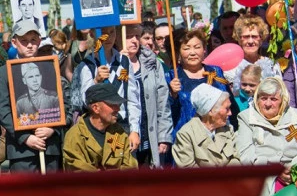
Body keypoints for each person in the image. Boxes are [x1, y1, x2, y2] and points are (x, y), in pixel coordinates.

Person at [173, 84, 245, 196]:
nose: (230, 113)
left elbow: (235, 159)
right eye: (226, 109)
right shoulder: (186, 134)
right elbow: (188, 170)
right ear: (211, 111)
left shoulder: (227, 129)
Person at [0, 22, 62, 172]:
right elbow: (1, 109)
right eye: (24, 41)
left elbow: (64, 103)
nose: (29, 45)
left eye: (33, 40)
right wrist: (25, 137)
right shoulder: (3, 73)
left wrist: (53, 129)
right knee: (26, 195)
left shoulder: (51, 68)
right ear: (14, 42)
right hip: (21, 151)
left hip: (50, 147)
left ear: (39, 41)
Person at [71, 25, 140, 148]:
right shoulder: (87, 65)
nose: (108, 37)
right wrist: (96, 81)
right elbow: (84, 101)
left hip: (122, 126)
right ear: (93, 35)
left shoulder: (124, 61)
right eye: (103, 33)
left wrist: (134, 130)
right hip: (98, 129)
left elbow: (132, 98)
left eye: (112, 32)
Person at [167, 29, 239, 138]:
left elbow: (231, 105)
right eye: (186, 48)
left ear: (204, 49)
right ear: (179, 52)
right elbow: (166, 113)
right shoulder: (172, 77)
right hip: (188, 138)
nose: (192, 52)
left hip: (220, 135)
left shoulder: (216, 71)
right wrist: (172, 95)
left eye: (197, 47)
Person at [124, 24, 172, 167]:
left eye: (137, 36)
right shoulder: (113, 64)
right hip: (126, 136)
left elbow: (162, 100)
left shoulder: (151, 62)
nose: (134, 41)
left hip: (149, 135)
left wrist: (163, 136)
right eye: (128, 37)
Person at [63, 82, 138, 171]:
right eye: (112, 105)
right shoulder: (75, 136)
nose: (118, 109)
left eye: (118, 105)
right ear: (96, 108)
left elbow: (131, 167)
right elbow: (78, 171)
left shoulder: (119, 133)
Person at [223, 14, 281, 96]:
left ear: (261, 39)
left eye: (254, 36)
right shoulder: (231, 67)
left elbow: (280, 94)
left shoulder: (272, 66)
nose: (250, 41)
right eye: (246, 37)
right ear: (239, 39)